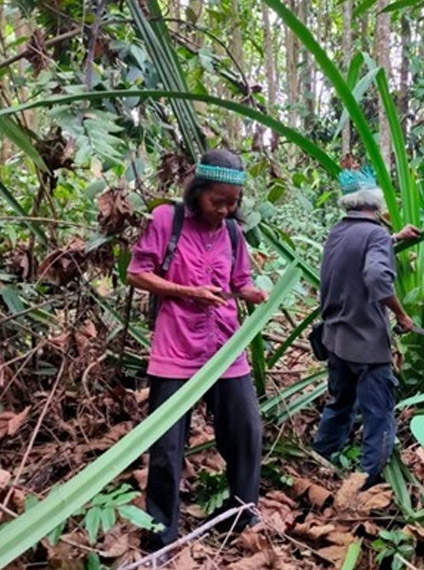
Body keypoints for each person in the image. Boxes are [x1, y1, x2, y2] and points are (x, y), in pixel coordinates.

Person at [127, 148, 268, 551]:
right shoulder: (165, 221)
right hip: (176, 348)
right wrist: (188, 292)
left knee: (246, 433)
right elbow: (137, 273)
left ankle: (243, 517)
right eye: (216, 200)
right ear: (196, 192)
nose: (225, 209)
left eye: (233, 202)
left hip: (226, 347)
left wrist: (256, 294)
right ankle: (160, 535)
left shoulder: (233, 233)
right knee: (167, 445)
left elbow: (239, 282)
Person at [312, 166, 419, 489]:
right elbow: (376, 277)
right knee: (379, 414)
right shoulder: (373, 235)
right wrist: (401, 315)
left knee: (340, 403)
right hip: (368, 345)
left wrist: (395, 238)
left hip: (336, 338)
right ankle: (369, 481)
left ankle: (320, 457)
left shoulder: (338, 232)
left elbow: (358, 251)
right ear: (376, 202)